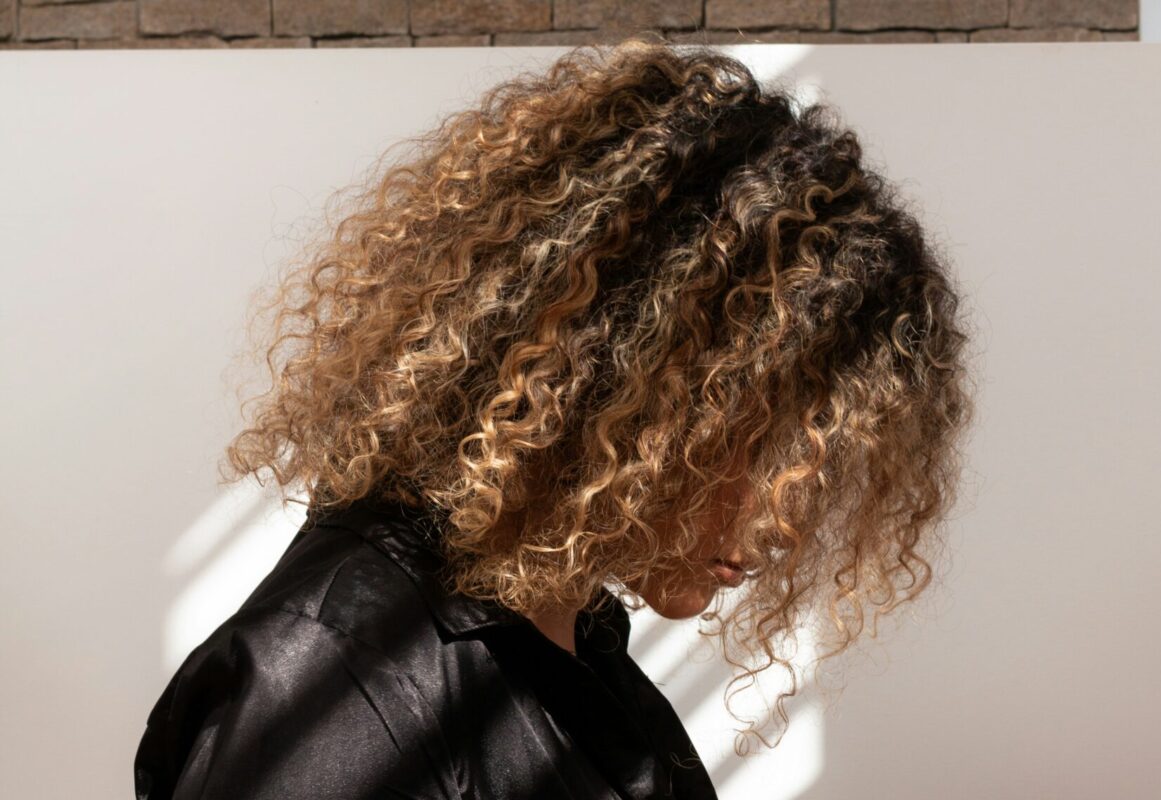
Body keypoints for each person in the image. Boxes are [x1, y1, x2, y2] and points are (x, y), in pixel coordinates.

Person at [134, 35, 975, 800]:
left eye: (821, 460)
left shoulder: (572, 638)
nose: (789, 515)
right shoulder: (340, 690)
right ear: (622, 375)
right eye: (765, 443)